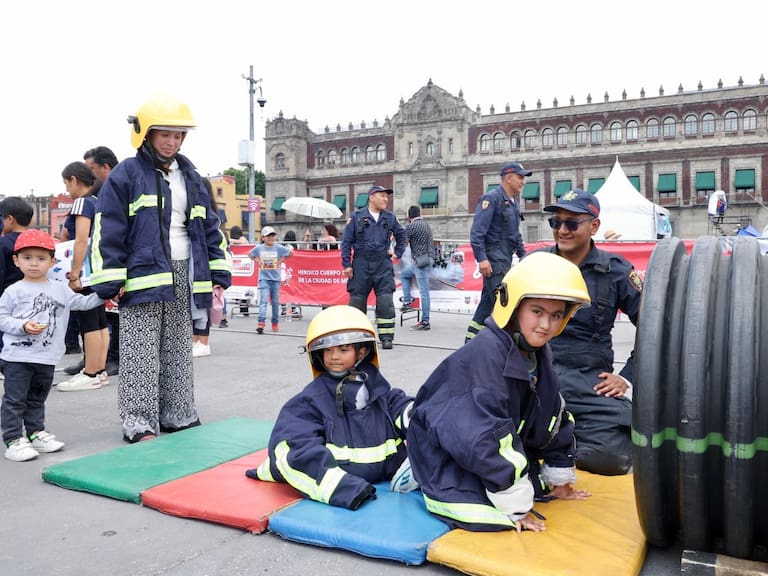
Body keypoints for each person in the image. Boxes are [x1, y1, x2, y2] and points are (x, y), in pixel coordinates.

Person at [407, 252, 592, 532]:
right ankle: (409, 472)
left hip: (481, 443)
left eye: (556, 315)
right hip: (444, 451)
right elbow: (482, 435)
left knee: (535, 485)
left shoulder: (537, 352)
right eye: (537, 311)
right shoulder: (485, 357)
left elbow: (552, 415)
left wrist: (559, 478)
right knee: (480, 512)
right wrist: (516, 507)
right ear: (513, 307)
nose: (545, 325)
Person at [89, 95, 232, 443]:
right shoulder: (126, 173)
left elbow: (209, 226)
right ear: (145, 134)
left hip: (186, 270)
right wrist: (112, 279)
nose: (172, 141)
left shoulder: (192, 177)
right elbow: (108, 227)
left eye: (178, 135)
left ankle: (178, 415)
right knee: (139, 350)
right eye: (164, 134)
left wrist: (218, 275)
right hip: (142, 274)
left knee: (178, 347)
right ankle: (139, 422)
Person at [247, 305, 414, 509]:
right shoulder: (311, 400)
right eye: (327, 350)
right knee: (295, 451)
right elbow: (293, 448)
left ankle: (419, 472)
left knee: (430, 421)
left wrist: (415, 414)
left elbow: (398, 406)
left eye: (343, 349)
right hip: (344, 483)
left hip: (389, 474)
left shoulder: (378, 389)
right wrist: (344, 488)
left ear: (362, 351)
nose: (334, 356)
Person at [540, 189, 642, 476]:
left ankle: (557, 446)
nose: (562, 230)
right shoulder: (536, 265)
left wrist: (626, 378)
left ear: (594, 226)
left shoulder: (617, 272)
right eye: (556, 222)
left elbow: (655, 329)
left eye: (572, 223)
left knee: (612, 457)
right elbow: (503, 324)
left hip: (589, 383)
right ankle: (555, 442)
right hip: (538, 378)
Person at [0, 230, 104, 461]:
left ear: (52, 261)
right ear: (16, 261)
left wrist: (106, 294)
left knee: (37, 399)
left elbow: (83, 302)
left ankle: (36, 433)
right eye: (27, 258)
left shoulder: (60, 289)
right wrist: (23, 326)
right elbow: (2, 317)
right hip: (17, 357)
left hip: (47, 358)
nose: (34, 263)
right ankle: (13, 439)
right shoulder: (13, 291)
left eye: (41, 258)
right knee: (15, 400)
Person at [57, 161, 110, 392]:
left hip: (86, 271)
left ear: (74, 180)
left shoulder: (81, 202)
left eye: (66, 184)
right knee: (99, 321)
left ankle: (90, 373)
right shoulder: (98, 202)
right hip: (100, 268)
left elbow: (81, 240)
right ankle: (99, 371)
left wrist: (74, 274)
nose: (67, 190)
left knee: (88, 322)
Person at [464, 162, 529, 343]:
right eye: (520, 177)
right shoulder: (492, 199)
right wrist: (482, 259)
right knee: (505, 305)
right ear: (508, 178)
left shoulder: (514, 202)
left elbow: (515, 234)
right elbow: (477, 232)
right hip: (494, 261)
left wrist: (524, 256)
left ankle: (469, 344)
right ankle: (513, 349)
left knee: (485, 307)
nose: (523, 181)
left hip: (504, 259)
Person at [341, 185, 406, 350]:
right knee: (357, 301)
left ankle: (386, 337)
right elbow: (346, 242)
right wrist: (347, 264)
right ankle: (357, 338)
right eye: (382, 196)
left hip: (382, 263)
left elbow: (402, 235)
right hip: (361, 263)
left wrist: (397, 252)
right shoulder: (356, 217)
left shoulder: (390, 217)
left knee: (385, 301)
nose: (386, 199)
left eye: (387, 196)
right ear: (372, 197)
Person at [83, 146, 120, 376]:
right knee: (101, 313)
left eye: (91, 169)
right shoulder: (97, 195)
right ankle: (93, 358)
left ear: (105, 167)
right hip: (99, 262)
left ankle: (113, 357)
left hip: (116, 261)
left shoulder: (119, 189)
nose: (88, 175)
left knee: (116, 315)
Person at [0, 197, 34, 357]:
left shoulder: (4, 244)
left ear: (10, 219)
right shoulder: (36, 241)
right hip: (34, 296)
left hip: (8, 297)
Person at [249, 226, 293, 334]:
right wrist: (258, 261)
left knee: (275, 302)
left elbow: (291, 253)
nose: (271, 238)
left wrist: (280, 261)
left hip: (275, 279)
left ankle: (275, 323)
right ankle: (261, 323)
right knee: (263, 301)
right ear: (263, 237)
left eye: (273, 235)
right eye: (269, 236)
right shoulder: (259, 248)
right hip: (264, 278)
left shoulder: (278, 247)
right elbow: (250, 254)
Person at [400, 205, 433, 331]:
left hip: (420, 260)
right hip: (427, 259)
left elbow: (403, 241)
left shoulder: (412, 226)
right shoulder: (426, 224)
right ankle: (407, 301)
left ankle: (425, 321)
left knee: (424, 292)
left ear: (409, 216)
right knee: (405, 274)